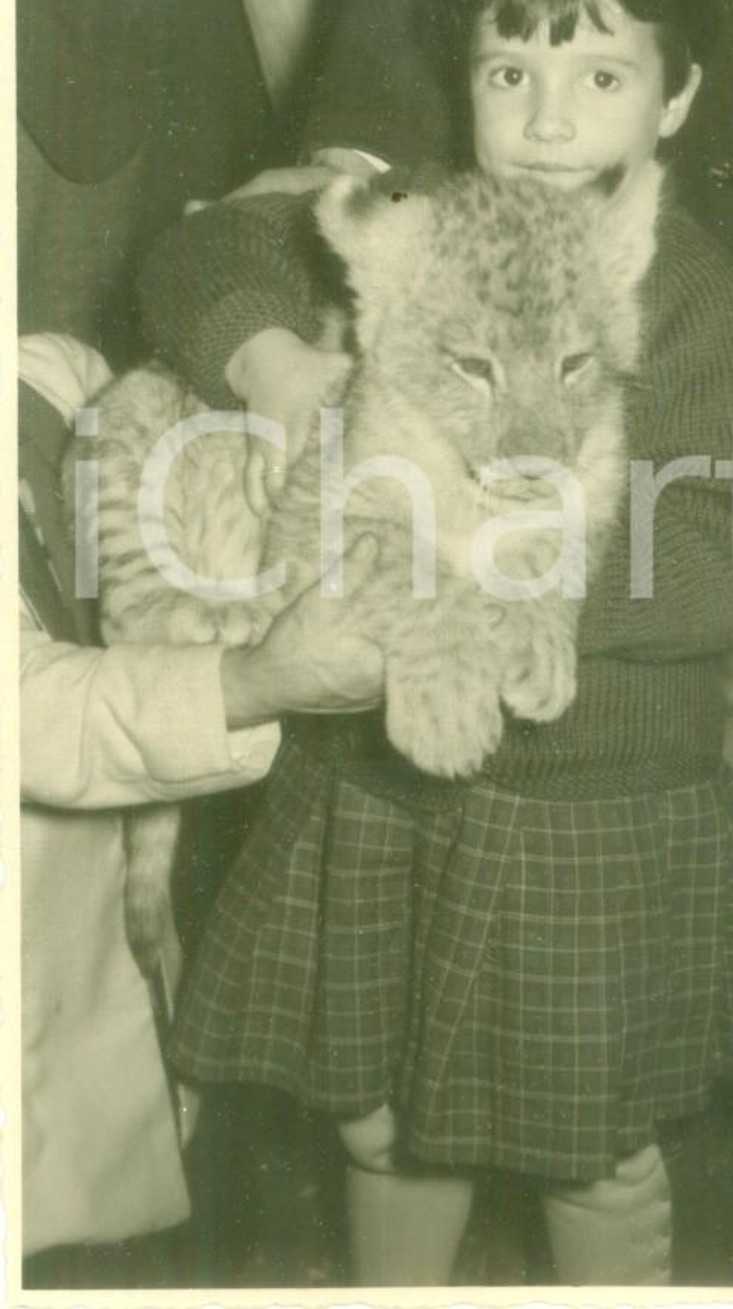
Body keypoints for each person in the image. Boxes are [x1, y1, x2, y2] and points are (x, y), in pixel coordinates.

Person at [136, 0, 733, 1287]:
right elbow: (198, 248)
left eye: (603, 73)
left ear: (674, 102)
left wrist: (520, 581)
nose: (552, 121)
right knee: (383, 1126)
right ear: (466, 84)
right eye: (513, 69)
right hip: (385, 804)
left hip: (598, 809)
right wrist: (287, 369)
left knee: (597, 1144)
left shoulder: (695, 296)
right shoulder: (421, 222)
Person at [18, 331, 384, 1263]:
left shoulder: (44, 374)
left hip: (99, 897)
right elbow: (34, 718)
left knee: (135, 1114)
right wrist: (258, 677)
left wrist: (260, 372)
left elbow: (104, 367)